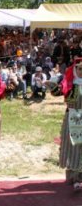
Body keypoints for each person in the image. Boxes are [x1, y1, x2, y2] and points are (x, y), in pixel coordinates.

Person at [46, 57, 82, 191]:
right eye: (79, 68)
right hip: (72, 118)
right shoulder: (69, 84)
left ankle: (79, 177)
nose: (81, 71)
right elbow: (57, 92)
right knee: (73, 148)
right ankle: (75, 177)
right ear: (75, 69)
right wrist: (51, 84)